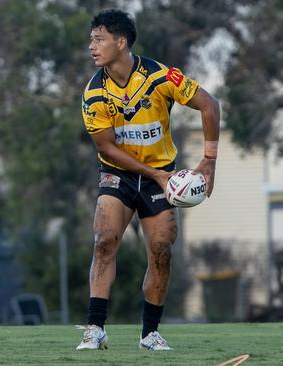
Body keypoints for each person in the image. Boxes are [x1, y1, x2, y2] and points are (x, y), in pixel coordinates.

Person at [77, 9, 219, 351]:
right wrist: (155, 173)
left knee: (161, 250)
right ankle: (95, 328)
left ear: (121, 42)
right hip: (118, 174)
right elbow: (106, 148)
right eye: (91, 40)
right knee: (105, 240)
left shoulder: (161, 76)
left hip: (161, 176)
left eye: (99, 39)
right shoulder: (94, 93)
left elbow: (209, 105)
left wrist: (210, 160)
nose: (92, 47)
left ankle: (150, 333)